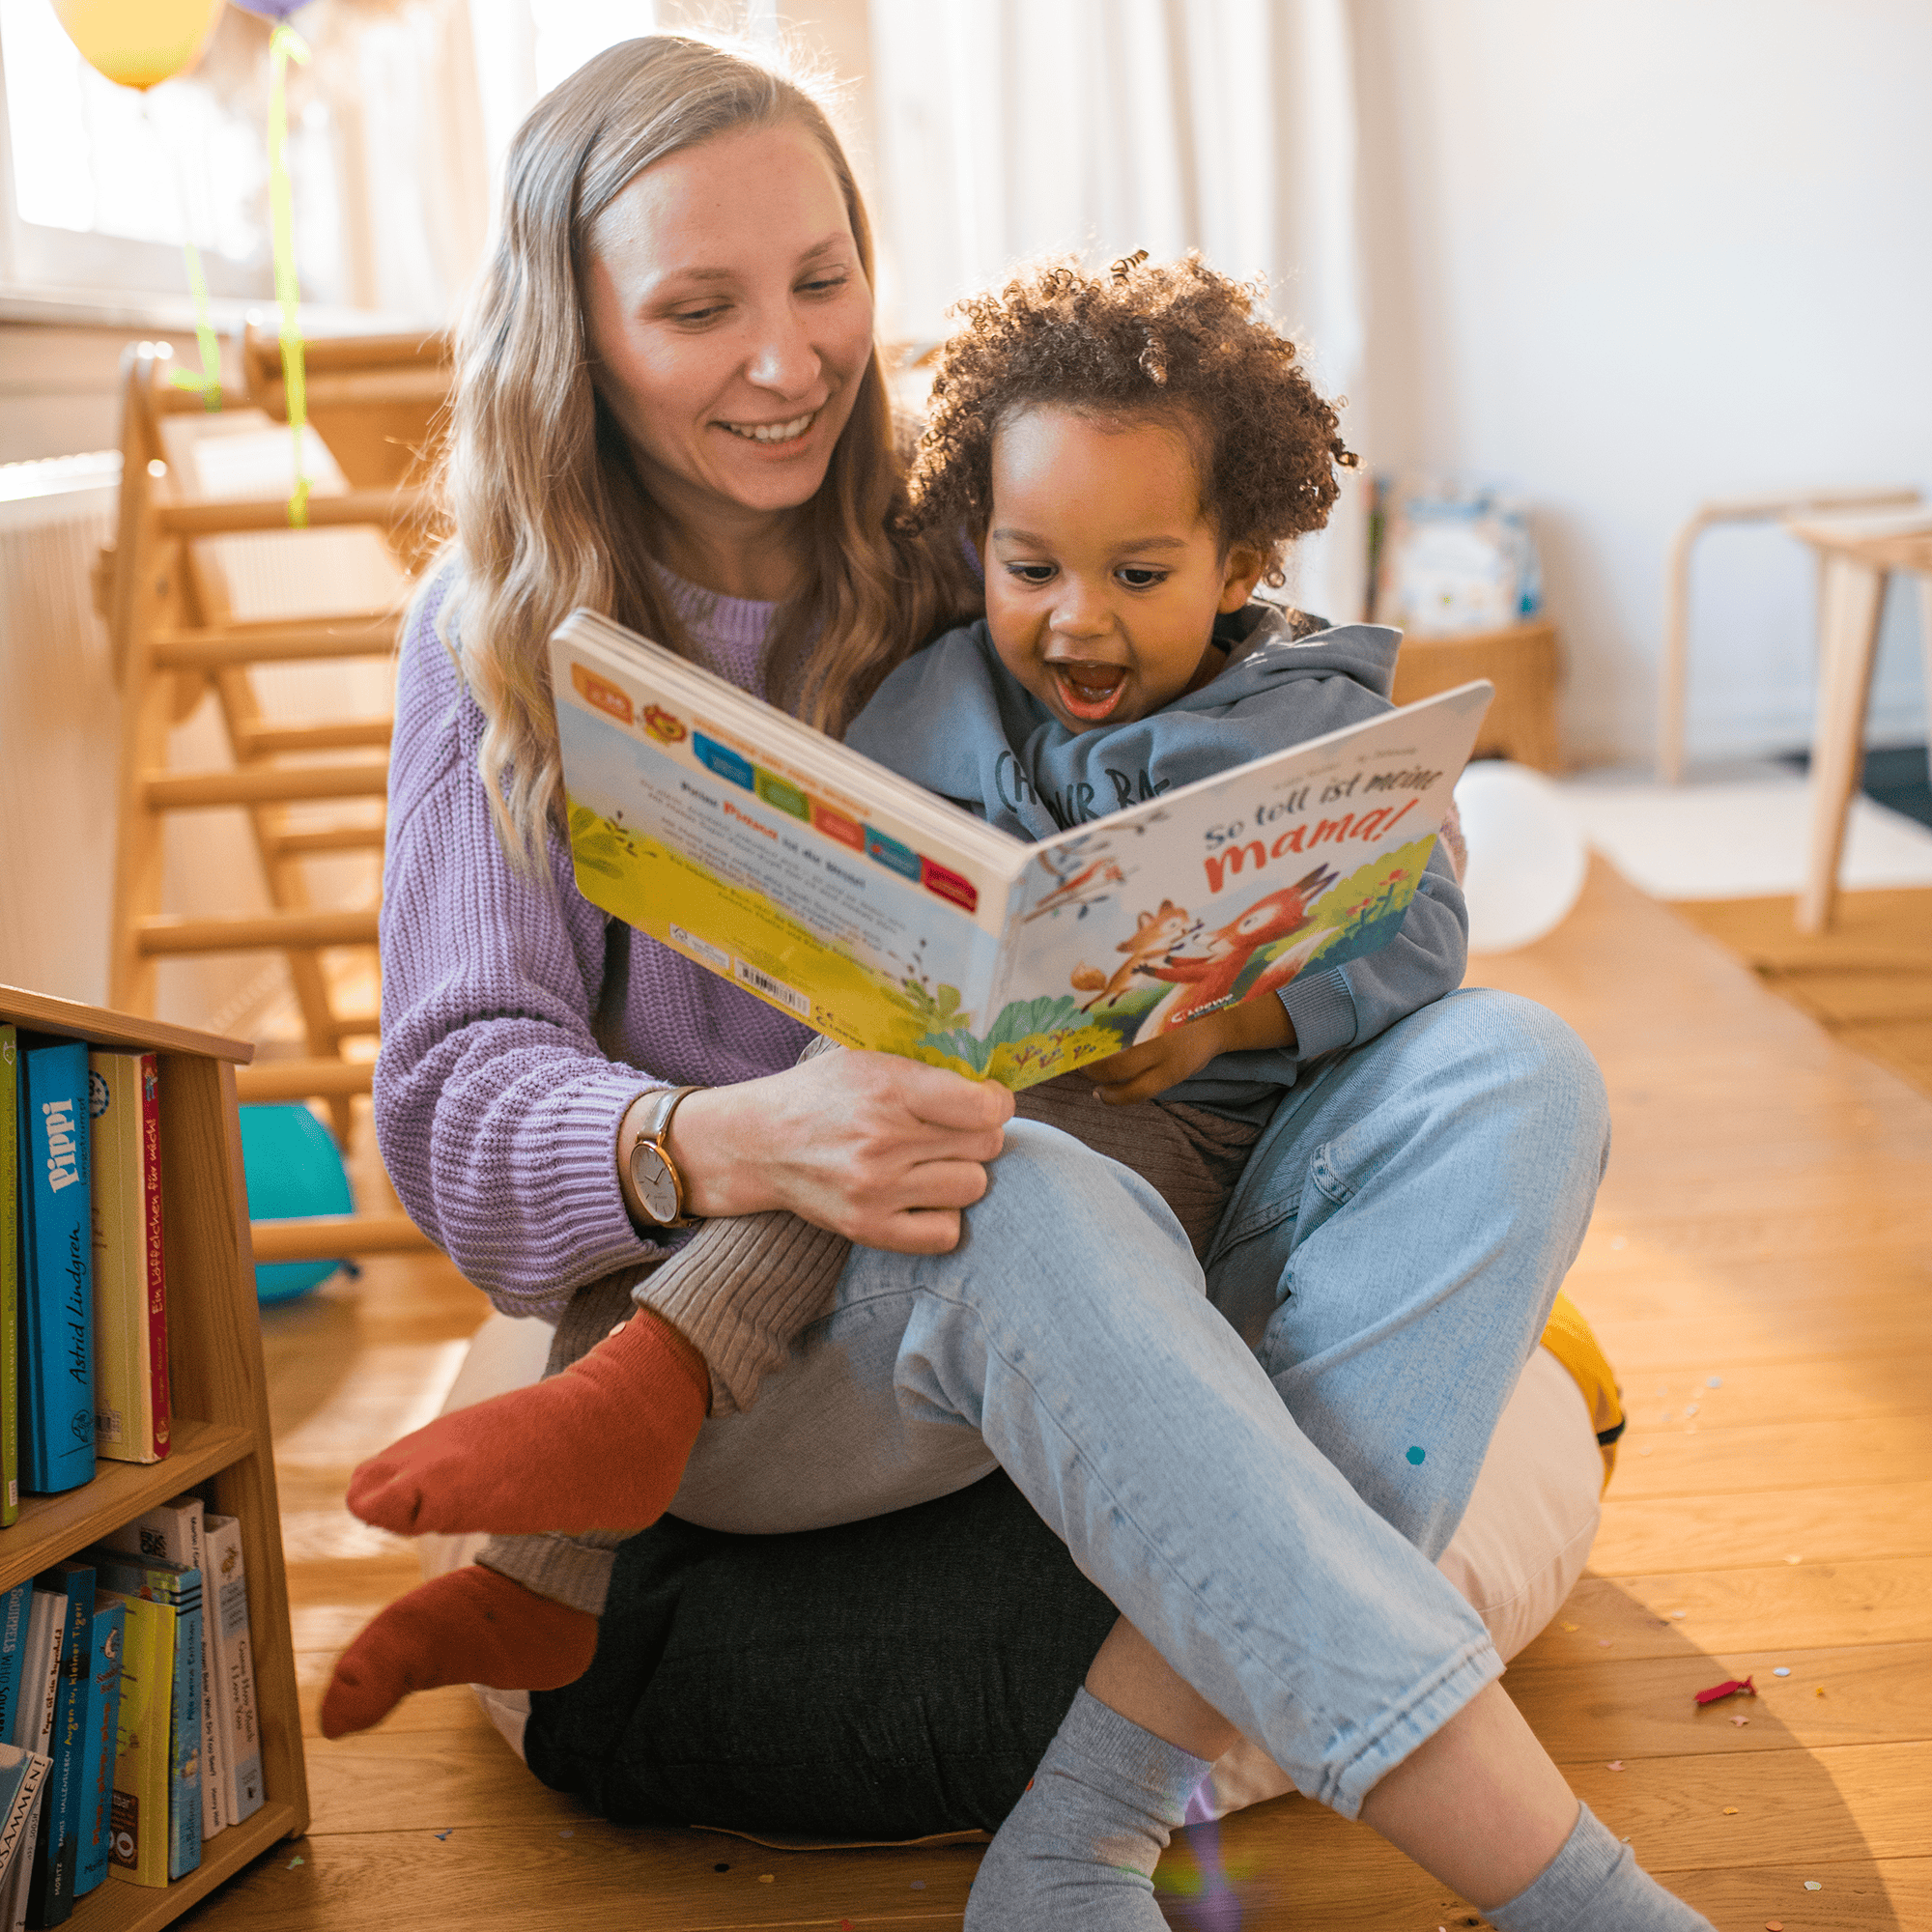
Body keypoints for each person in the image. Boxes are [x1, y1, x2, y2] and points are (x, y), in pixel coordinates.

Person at [322, 35, 1710, 1932]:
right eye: (698, 306)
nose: (790, 357)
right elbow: (456, 1117)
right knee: (1019, 1178)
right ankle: (1561, 1883)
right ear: (574, 331)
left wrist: (1235, 964)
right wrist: (736, 1135)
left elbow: (1336, 802)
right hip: (798, 1330)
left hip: (1141, 1197)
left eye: (823, 280)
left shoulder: (970, 535)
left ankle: (1076, 1843)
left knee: (1516, 1069)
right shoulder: (488, 636)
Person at [336, 244, 1474, 1665]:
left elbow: (1420, 922)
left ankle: (633, 1416)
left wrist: (1229, 1025)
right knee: (880, 1095)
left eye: (1142, 572)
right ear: (977, 541)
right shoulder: (939, 685)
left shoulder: (1296, 719)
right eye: (1029, 564)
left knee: (1008, 1122)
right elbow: (856, 884)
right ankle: (548, 1567)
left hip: (1177, 1135)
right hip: (930, 1113)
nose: (1078, 615)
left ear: (1240, 563)